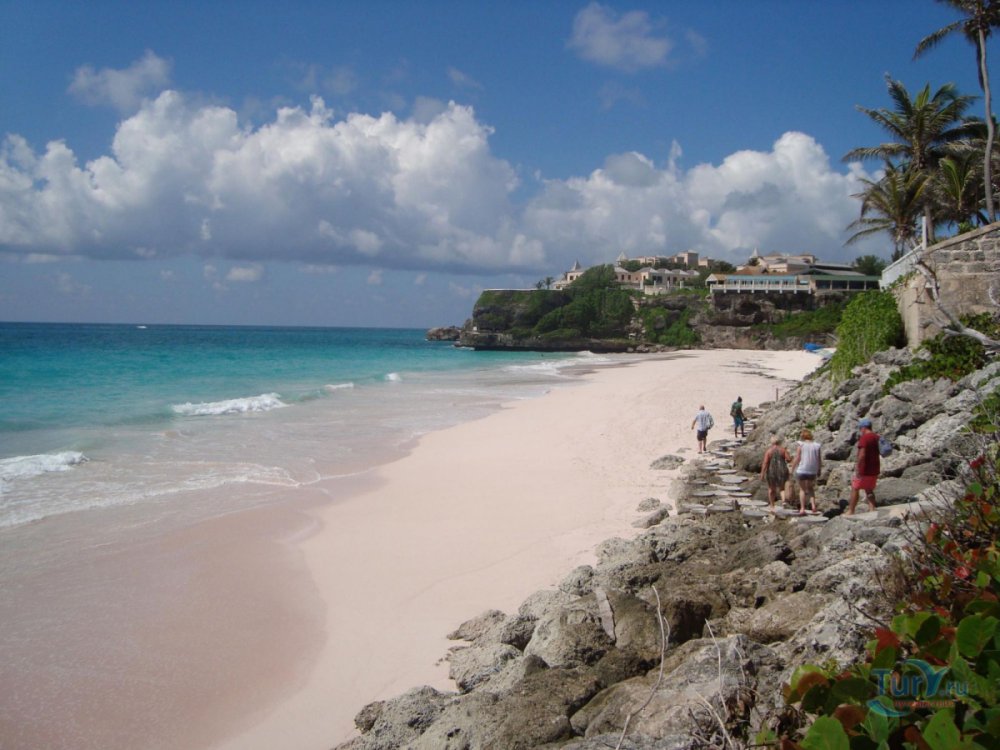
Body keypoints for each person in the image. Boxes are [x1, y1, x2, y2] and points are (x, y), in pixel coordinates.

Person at [846, 418, 880, 515]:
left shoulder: (865, 438)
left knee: (855, 488)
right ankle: (872, 508)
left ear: (863, 428)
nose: (860, 430)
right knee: (869, 488)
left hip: (865, 469)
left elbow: (862, 455)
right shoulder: (876, 437)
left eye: (860, 428)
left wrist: (858, 467)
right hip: (875, 468)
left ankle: (851, 510)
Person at [790, 428, 822, 515]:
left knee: (802, 489)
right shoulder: (817, 446)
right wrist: (819, 469)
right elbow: (819, 459)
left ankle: (802, 508)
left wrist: (792, 468)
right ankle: (813, 506)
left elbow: (797, 457)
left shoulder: (801, 445)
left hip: (802, 469)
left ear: (803, 437)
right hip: (813, 470)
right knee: (811, 488)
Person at [759, 435, 791, 512]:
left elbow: (765, 463)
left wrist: (762, 473)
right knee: (782, 488)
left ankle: (772, 505)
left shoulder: (769, 451)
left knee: (771, 489)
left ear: (772, 442)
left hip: (772, 471)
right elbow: (788, 459)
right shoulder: (782, 450)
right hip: (782, 470)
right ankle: (783, 501)